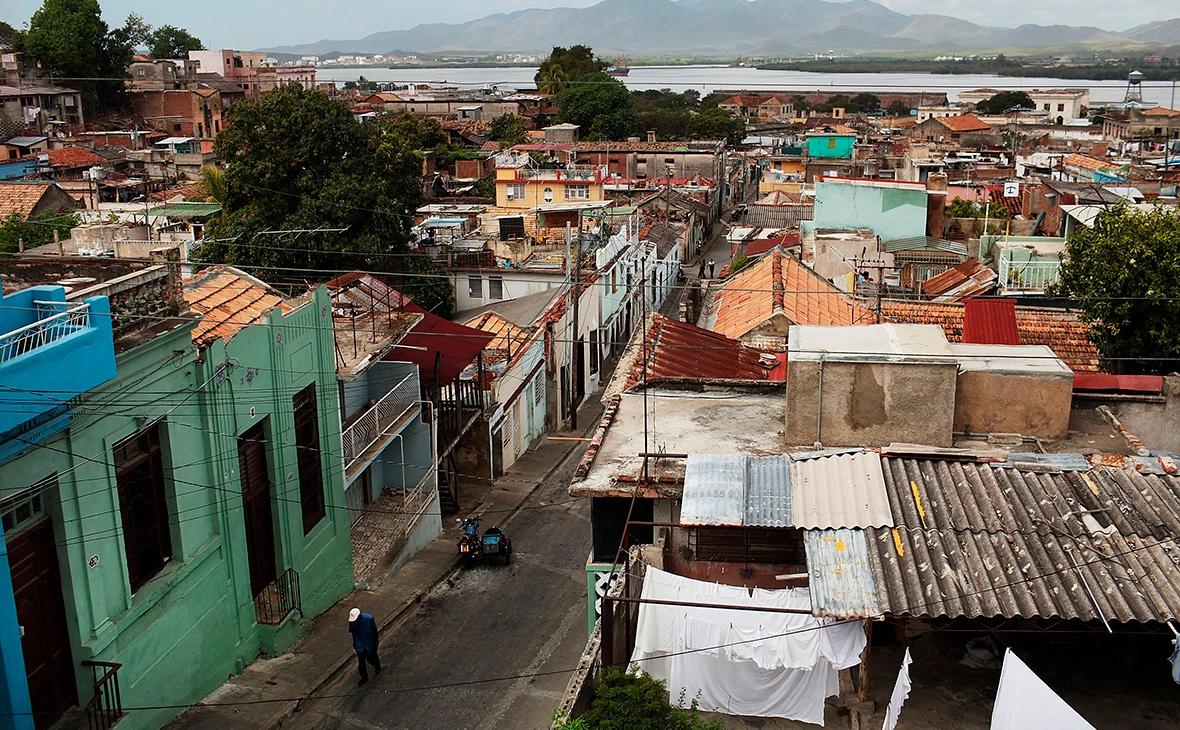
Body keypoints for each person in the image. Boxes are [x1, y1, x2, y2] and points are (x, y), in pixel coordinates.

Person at [349, 607, 381, 686]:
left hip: (370, 642)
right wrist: (354, 643)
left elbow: (374, 630)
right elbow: (353, 633)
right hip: (360, 644)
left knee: (371, 657)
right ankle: (364, 677)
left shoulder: (368, 619)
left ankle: (377, 665)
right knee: (361, 662)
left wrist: (376, 641)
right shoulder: (352, 623)